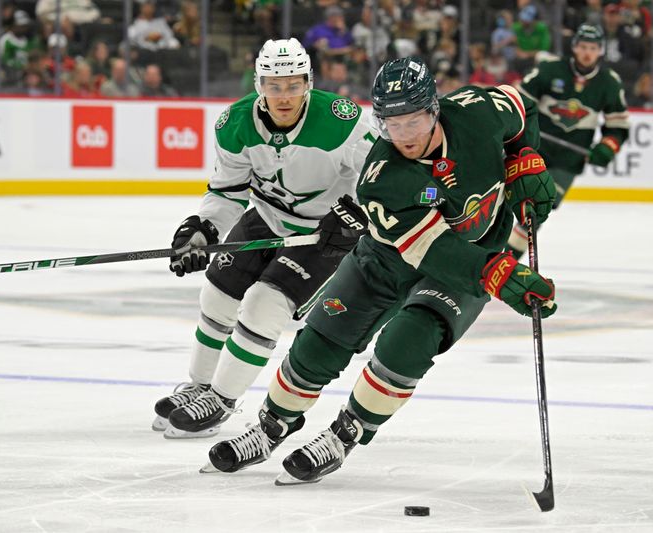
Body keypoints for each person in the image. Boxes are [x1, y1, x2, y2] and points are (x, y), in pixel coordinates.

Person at [203, 55, 558, 484]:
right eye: (392, 124)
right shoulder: (381, 177)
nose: (403, 136)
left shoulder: (478, 111)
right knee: (320, 339)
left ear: (434, 109)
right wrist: (499, 275)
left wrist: (525, 159)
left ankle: (346, 431)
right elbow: (431, 249)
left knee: (410, 341)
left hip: (472, 254)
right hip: (392, 256)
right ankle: (272, 424)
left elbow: (524, 113)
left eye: (413, 122)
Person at [152, 38, 376, 439]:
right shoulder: (234, 124)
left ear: (308, 83)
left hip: (323, 236)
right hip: (268, 217)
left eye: (293, 85)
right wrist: (203, 229)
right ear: (259, 86)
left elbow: (380, 176)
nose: (284, 96)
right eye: (275, 86)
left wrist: (358, 215)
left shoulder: (343, 121)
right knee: (218, 292)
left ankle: (221, 400)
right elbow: (227, 191)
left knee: (263, 303)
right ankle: (200, 386)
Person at [505, 23, 629, 258]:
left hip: (567, 162)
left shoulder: (609, 82)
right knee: (497, 200)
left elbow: (618, 126)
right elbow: (518, 102)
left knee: (535, 213)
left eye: (592, 47)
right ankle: (480, 256)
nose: (587, 52)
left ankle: (505, 264)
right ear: (574, 47)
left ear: (601, 51)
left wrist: (607, 147)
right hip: (531, 150)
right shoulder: (550, 69)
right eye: (583, 46)